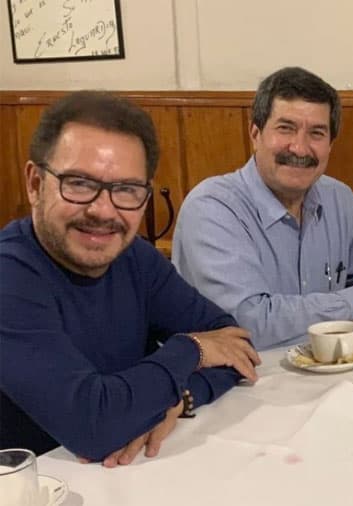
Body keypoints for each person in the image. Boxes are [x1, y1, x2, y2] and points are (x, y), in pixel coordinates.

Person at [0, 91, 261, 467]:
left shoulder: (134, 256)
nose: (103, 211)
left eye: (126, 190)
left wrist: (178, 399)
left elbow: (235, 345)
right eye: (79, 183)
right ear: (35, 184)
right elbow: (94, 426)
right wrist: (191, 350)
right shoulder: (11, 276)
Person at [172, 67, 353, 350]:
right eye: (286, 128)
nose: (300, 148)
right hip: (240, 375)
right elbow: (246, 323)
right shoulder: (212, 208)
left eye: (316, 133)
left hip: (335, 369)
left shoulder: (337, 198)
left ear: (331, 145)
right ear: (255, 133)